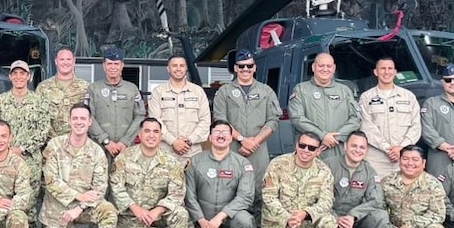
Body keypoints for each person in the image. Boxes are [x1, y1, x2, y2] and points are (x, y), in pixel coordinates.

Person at [40, 104, 119, 228]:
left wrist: (80, 206)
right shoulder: (54, 145)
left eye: (83, 118)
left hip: (85, 207)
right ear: (69, 121)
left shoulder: (97, 151)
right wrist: (78, 195)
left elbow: (100, 187)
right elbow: (50, 181)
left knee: (108, 210)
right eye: (75, 118)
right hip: (58, 208)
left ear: (90, 122)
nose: (79, 122)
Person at [111, 117, 192, 228]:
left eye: (156, 131)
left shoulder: (171, 162)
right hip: (132, 215)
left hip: (158, 213)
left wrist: (157, 211)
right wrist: (135, 208)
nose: (151, 135)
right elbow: (116, 188)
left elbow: (177, 192)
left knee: (181, 214)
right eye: (147, 131)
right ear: (139, 134)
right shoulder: (124, 158)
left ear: (161, 136)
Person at [323, 131, 398, 228]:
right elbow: (319, 198)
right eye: (354, 146)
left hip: (357, 218)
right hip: (333, 218)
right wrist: (337, 218)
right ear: (345, 146)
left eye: (362, 147)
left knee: (381, 216)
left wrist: (353, 215)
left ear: (366, 150)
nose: (358, 150)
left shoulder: (368, 170)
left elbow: (376, 200)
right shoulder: (328, 165)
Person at [261, 132, 337, 228]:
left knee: (329, 221)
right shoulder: (278, 164)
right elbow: (269, 197)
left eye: (311, 148)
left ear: (317, 150)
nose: (306, 150)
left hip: (305, 220)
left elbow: (327, 201)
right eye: (302, 145)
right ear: (296, 145)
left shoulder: (323, 171)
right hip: (279, 221)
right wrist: (287, 217)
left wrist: (305, 213)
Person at [184, 121, 256, 228]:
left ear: (231, 138)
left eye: (225, 132)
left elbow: (246, 197)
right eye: (217, 132)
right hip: (206, 220)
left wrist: (221, 216)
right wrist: (200, 220)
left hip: (231, 216)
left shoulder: (242, 163)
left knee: (244, 220)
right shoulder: (195, 161)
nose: (221, 135)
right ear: (210, 137)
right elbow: (189, 195)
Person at [382, 144, 448, 228]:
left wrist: (411, 226)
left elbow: (438, 214)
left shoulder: (432, 184)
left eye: (415, 159)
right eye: (405, 158)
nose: (409, 163)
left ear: (423, 163)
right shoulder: (387, 182)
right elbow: (379, 209)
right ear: (399, 160)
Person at [212, 49, 281, 180]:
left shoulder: (266, 91)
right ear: (235, 68)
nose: (245, 69)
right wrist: (242, 140)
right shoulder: (224, 92)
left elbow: (273, 120)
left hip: (258, 151)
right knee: (230, 189)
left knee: (259, 190)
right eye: (241, 66)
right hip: (232, 149)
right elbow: (220, 121)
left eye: (249, 66)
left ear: (254, 68)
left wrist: (254, 142)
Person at [358, 57, 420, 180]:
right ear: (376, 72)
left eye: (390, 68)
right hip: (377, 159)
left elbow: (416, 126)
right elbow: (366, 127)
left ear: (395, 72)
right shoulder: (366, 98)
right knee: (376, 193)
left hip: (404, 158)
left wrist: (401, 147)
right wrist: (387, 149)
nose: (387, 72)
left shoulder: (408, 97)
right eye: (383, 68)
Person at [0, 60, 52, 185]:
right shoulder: (0, 101)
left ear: (29, 76)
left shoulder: (40, 101)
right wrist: (7, 149)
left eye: (22, 73)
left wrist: (22, 149)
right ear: (10, 76)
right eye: (15, 73)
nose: (19, 77)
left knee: (29, 201)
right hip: (4, 160)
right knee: (4, 200)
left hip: (30, 162)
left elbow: (43, 131)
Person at [286, 52, 359, 156]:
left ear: (334, 68)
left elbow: (356, 118)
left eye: (329, 66)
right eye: (321, 66)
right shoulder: (301, 90)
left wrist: (337, 137)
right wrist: (322, 136)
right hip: (310, 151)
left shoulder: (344, 91)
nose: (325, 69)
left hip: (340, 150)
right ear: (313, 67)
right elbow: (297, 118)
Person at [149, 54, 211, 162]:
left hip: (193, 153)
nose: (178, 69)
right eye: (174, 66)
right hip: (165, 153)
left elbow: (205, 120)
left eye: (182, 65)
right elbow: (155, 121)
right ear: (168, 69)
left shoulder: (198, 92)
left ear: (186, 68)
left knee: (192, 179)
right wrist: (173, 142)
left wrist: (189, 141)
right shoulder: (158, 92)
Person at [87, 46, 144, 162]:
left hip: (126, 149)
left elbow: (140, 116)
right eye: (109, 64)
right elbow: (88, 116)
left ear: (122, 65)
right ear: (104, 66)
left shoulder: (132, 89)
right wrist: (105, 140)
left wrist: (125, 141)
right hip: (100, 148)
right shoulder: (93, 88)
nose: (113, 67)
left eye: (116, 64)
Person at [35, 47, 90, 137]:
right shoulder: (43, 87)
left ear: (74, 61)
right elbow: (39, 117)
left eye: (68, 59)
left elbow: (89, 116)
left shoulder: (85, 87)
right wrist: (55, 141)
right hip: (51, 143)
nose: (65, 62)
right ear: (56, 61)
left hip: (78, 142)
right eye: (62, 59)